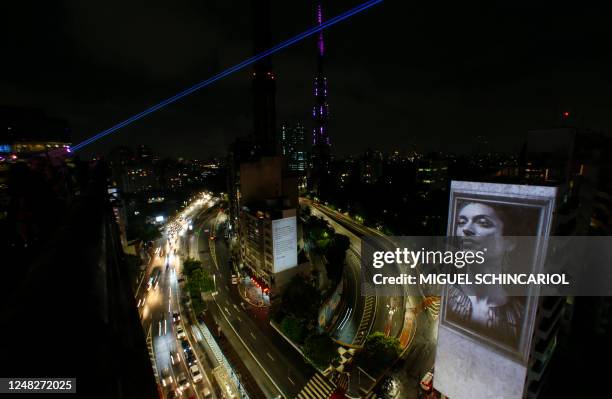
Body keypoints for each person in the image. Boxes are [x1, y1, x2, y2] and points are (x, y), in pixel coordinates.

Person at [445, 200, 537, 350]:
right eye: (461, 222)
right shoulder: (440, 294)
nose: (466, 229)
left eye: (483, 223)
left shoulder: (521, 318)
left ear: (510, 241)